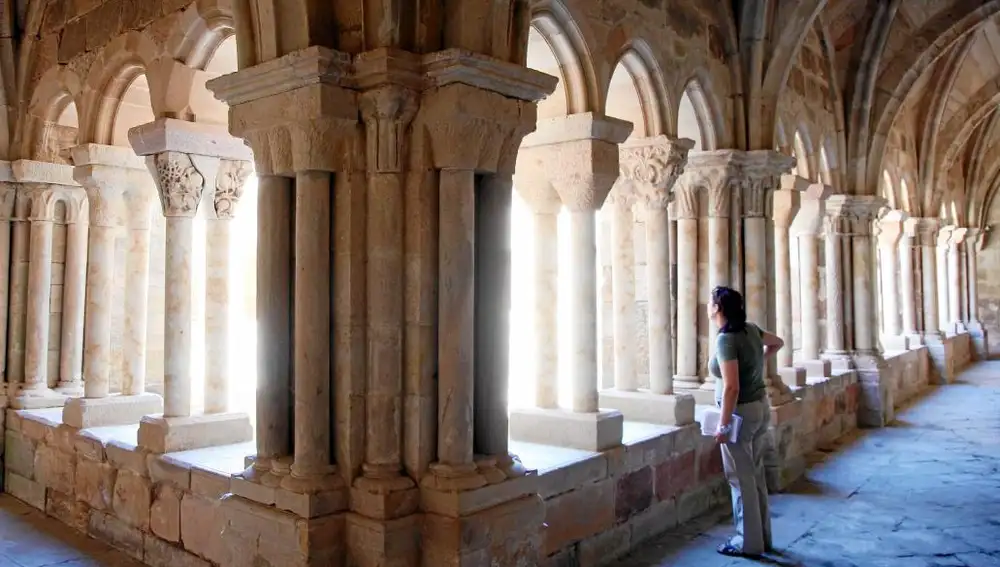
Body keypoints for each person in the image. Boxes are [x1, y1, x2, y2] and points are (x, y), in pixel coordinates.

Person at [707, 285, 784, 558]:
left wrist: (724, 425)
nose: (708, 306)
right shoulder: (751, 329)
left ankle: (747, 543)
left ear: (718, 308)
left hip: (740, 415)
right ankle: (762, 537)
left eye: (710, 302)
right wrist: (758, 362)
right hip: (760, 408)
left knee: (740, 479)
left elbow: (731, 388)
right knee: (755, 474)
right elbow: (778, 342)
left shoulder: (726, 340)